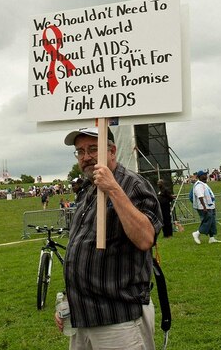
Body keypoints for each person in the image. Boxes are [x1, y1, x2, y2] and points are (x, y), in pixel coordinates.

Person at [57, 126, 160, 349]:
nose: (86, 157)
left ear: (112, 151)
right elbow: (81, 249)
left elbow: (145, 238)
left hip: (119, 318)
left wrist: (113, 189)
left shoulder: (133, 185)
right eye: (80, 151)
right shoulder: (88, 188)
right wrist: (69, 300)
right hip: (83, 317)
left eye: (93, 149)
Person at [191, 170, 220, 244]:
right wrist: (204, 207)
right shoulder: (199, 185)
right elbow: (200, 196)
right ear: (200, 176)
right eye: (204, 175)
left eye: (206, 174)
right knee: (208, 220)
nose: (206, 176)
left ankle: (211, 238)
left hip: (210, 206)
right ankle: (197, 233)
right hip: (204, 207)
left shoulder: (204, 184)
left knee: (212, 221)